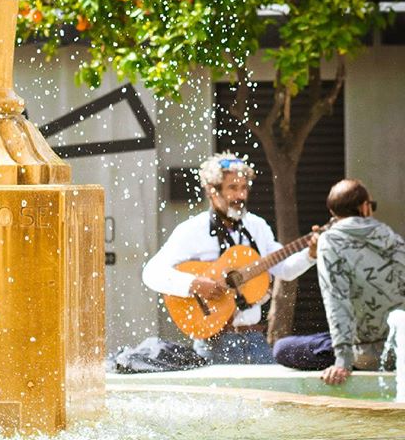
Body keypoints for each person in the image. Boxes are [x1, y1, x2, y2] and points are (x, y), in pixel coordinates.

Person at [142, 152, 317, 364]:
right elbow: (151, 273)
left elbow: (285, 269)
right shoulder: (192, 230)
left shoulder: (257, 226)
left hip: (255, 339)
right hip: (214, 343)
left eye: (244, 188)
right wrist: (194, 284)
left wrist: (310, 255)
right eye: (232, 188)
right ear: (212, 191)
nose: (240, 196)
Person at [273, 178, 405, 384]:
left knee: (282, 349)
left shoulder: (330, 242)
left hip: (365, 355)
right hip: (401, 347)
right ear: (365, 207)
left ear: (334, 213)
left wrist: (342, 361)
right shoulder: (392, 237)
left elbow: (336, 300)